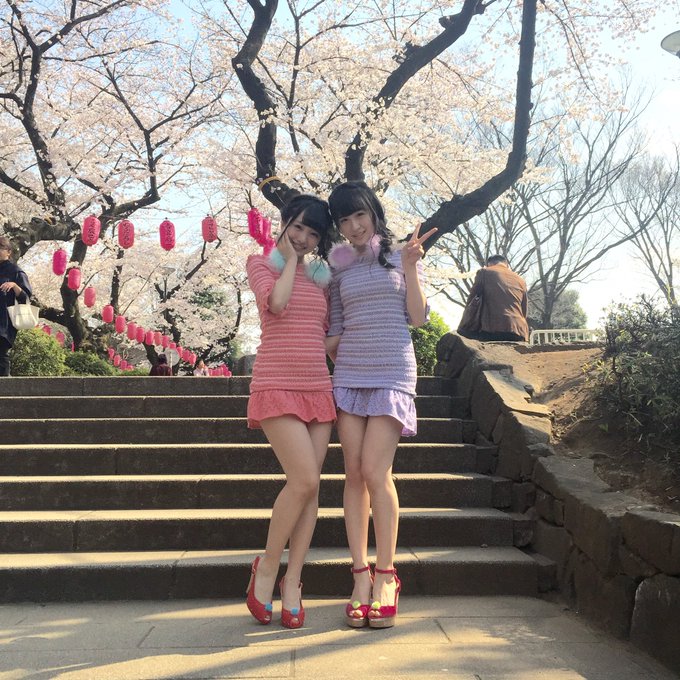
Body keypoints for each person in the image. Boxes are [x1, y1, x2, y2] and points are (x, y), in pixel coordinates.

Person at [326, 181, 436, 629]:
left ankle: (387, 575)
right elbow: (334, 329)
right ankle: (359, 576)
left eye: (359, 215)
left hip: (392, 371)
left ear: (373, 212)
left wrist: (410, 267)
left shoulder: (400, 253)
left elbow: (419, 317)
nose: (354, 226)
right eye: (344, 220)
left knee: (375, 471)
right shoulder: (337, 266)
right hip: (350, 373)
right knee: (353, 474)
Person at [245, 194, 337, 629]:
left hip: (318, 388)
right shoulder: (261, 264)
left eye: (312, 233)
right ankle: (267, 566)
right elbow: (277, 305)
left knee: (311, 492)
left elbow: (325, 335)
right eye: (297, 227)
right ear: (284, 224)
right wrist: (291, 260)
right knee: (304, 479)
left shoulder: (322, 278)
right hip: (276, 384)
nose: (303, 238)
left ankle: (293, 580)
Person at [458, 254, 529, 342]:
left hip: (492, 328)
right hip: (519, 330)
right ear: (506, 265)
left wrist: (464, 323)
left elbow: (472, 299)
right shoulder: (521, 280)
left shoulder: (484, 272)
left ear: (489, 264)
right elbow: (524, 309)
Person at [0, 236, 32, 377]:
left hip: (4, 321)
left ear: (9, 252)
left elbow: (26, 297)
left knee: (1, 354)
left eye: (1, 248)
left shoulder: (15, 271)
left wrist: (14, 286)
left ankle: (5, 387)